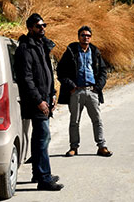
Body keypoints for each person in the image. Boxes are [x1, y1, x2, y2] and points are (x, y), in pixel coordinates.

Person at [14, 13, 63, 191]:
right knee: (43, 137)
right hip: (35, 102)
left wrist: (53, 95)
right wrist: (39, 101)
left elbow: (47, 74)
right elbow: (26, 79)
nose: (42, 28)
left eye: (44, 25)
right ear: (29, 28)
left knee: (40, 137)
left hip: (45, 99)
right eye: (38, 26)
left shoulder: (41, 46)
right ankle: (44, 178)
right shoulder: (25, 49)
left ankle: (38, 172)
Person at [56, 25, 112, 158]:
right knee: (74, 121)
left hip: (92, 91)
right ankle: (73, 147)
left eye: (88, 36)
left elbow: (103, 72)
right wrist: (71, 86)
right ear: (78, 37)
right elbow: (61, 71)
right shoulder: (71, 51)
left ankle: (101, 146)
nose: (86, 38)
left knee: (97, 120)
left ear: (90, 37)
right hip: (76, 92)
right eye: (83, 35)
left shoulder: (95, 52)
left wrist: (97, 88)